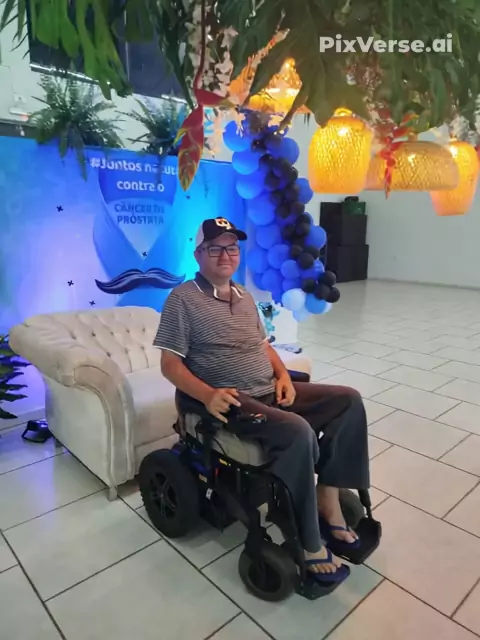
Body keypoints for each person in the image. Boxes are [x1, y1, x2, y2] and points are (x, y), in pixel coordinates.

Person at [153, 217, 370, 585]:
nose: (226, 255)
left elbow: (263, 346)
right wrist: (207, 395)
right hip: (231, 401)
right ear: (199, 254)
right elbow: (169, 364)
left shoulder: (244, 295)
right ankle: (309, 542)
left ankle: (327, 497)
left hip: (269, 389)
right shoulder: (182, 299)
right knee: (298, 432)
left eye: (232, 247)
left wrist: (282, 374)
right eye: (215, 248)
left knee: (348, 401)